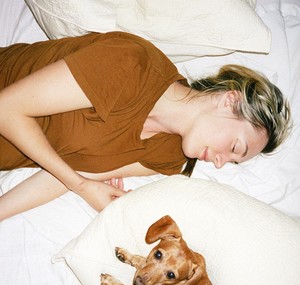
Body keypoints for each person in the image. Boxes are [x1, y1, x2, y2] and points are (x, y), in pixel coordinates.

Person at [0, 31, 291, 221]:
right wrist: (83, 187)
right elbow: (7, 108)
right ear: (229, 101)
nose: (219, 163)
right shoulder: (131, 63)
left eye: (230, 162)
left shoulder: (170, 158)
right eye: (233, 148)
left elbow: (62, 175)